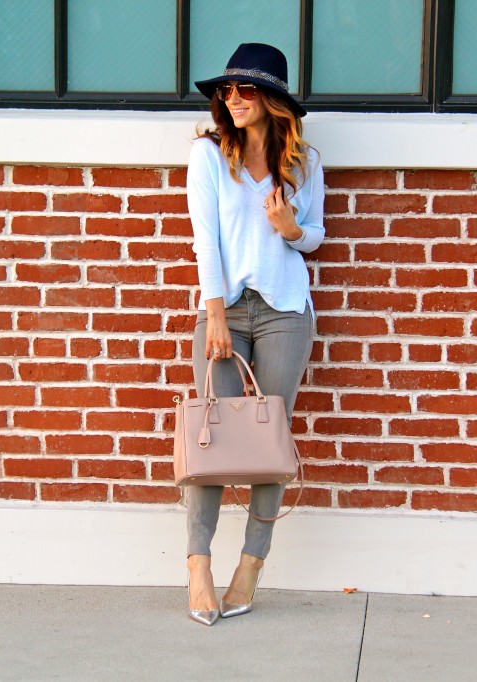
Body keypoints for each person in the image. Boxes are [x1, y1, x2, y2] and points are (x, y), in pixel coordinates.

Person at [184, 43, 325, 626]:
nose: (233, 99)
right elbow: (204, 240)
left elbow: (313, 237)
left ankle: (250, 565)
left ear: (272, 100)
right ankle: (198, 567)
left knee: (269, 447)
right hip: (226, 310)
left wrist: (291, 227)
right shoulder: (210, 157)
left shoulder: (305, 163)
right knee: (210, 438)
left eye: (246, 90)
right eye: (227, 90)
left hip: (285, 311)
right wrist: (214, 313)